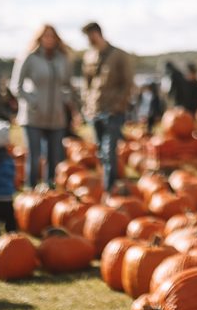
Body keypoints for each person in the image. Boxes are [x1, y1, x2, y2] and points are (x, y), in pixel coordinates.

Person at [11, 24, 74, 188]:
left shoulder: (62, 59)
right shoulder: (29, 57)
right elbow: (15, 86)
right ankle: (31, 188)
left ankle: (50, 188)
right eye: (46, 36)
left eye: (52, 36)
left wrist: (65, 99)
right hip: (33, 115)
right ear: (39, 38)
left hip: (56, 115)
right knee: (34, 155)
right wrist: (31, 100)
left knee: (55, 156)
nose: (49, 39)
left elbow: (67, 84)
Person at [81, 22, 133, 193]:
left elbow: (127, 84)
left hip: (113, 111)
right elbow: (86, 84)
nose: (88, 40)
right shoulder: (89, 56)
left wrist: (118, 105)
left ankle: (110, 188)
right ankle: (107, 183)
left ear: (97, 33)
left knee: (109, 150)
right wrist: (86, 104)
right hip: (94, 110)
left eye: (90, 36)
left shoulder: (119, 55)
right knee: (100, 151)